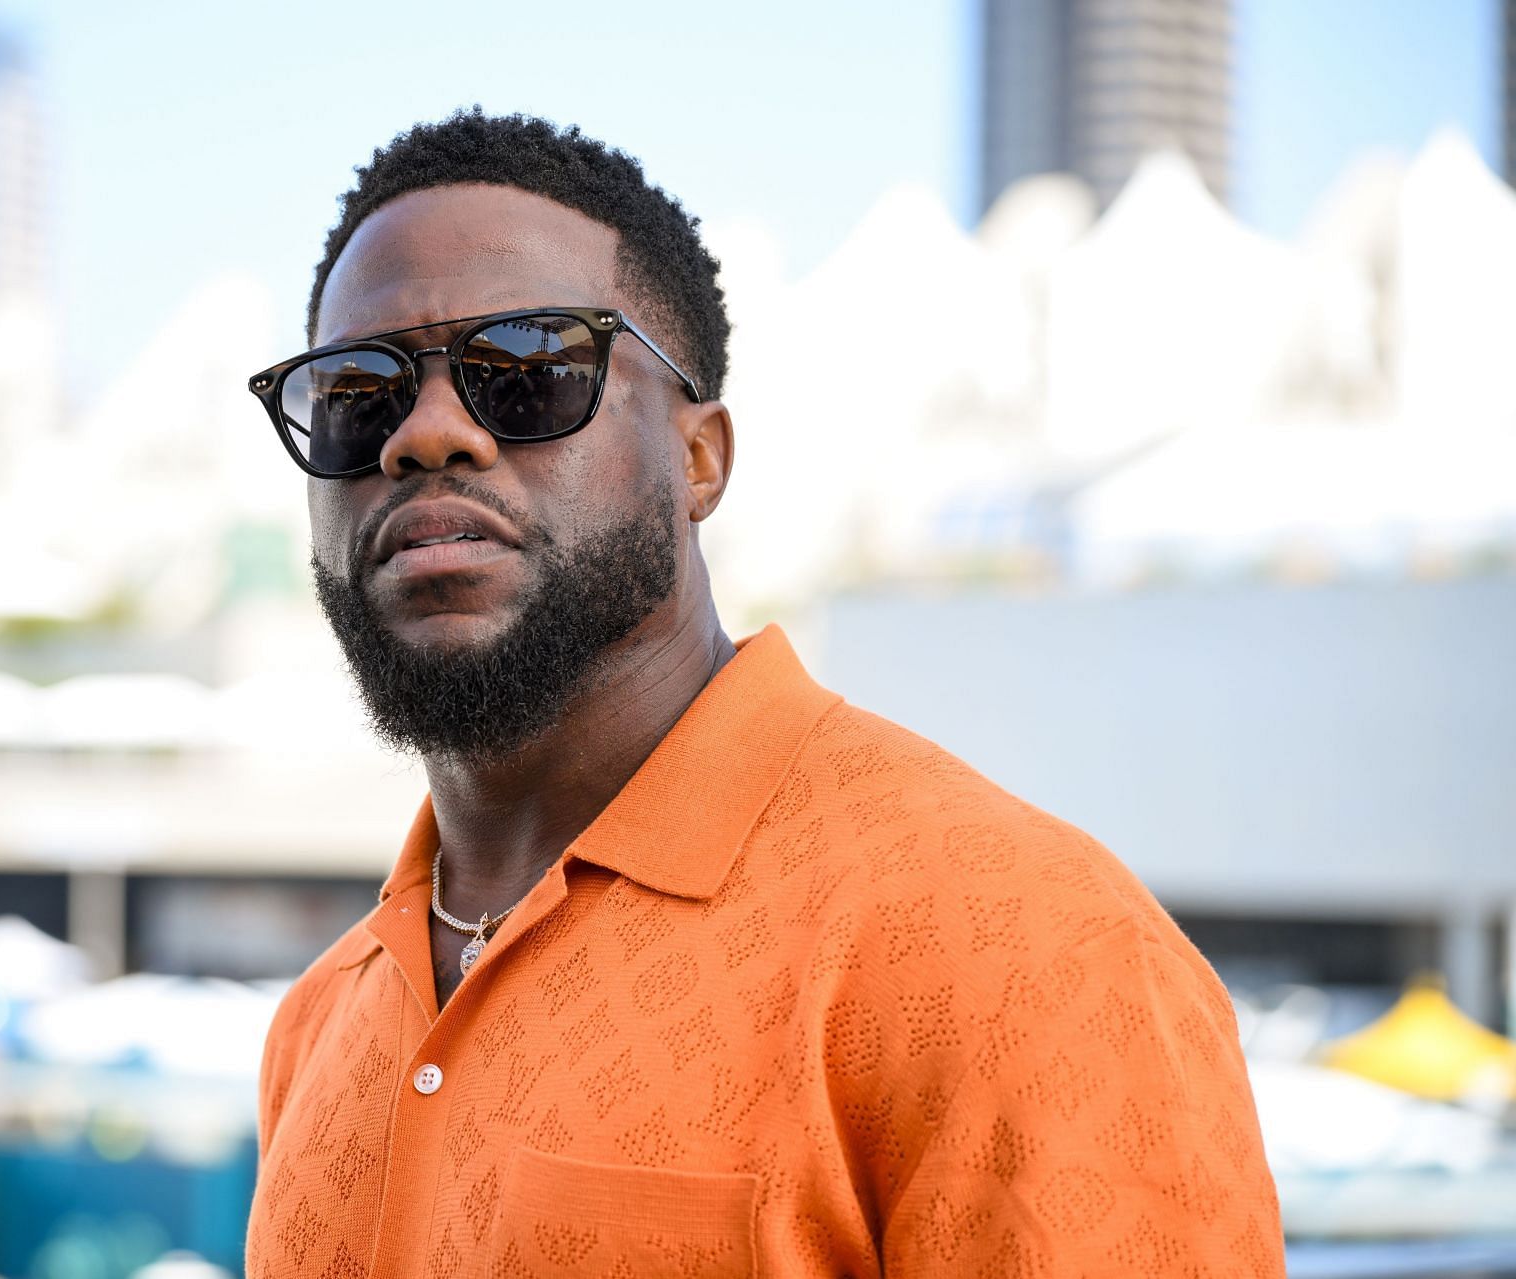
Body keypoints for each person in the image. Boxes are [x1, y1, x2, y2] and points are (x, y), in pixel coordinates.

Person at [243, 110, 1283, 1278]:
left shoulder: (1021, 952)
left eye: (527, 370)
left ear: (700, 459)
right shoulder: (320, 1025)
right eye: (356, 394)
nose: (426, 435)